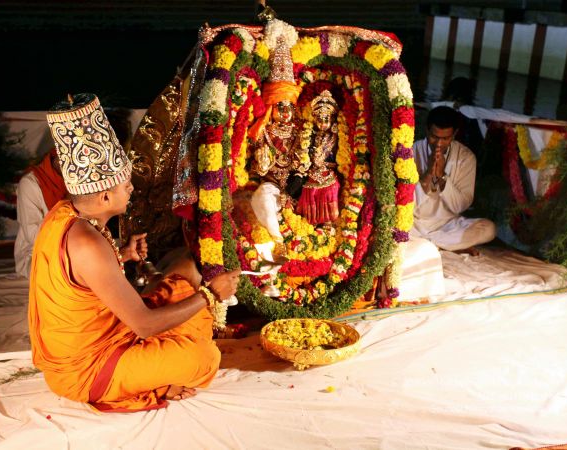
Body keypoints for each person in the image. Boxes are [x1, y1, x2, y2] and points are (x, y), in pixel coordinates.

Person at [28, 93, 240, 412]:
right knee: (204, 358)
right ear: (104, 197)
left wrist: (123, 255)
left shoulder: (66, 213)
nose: (131, 189)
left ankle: (154, 368)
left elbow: (85, 276)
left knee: (184, 274)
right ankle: (153, 379)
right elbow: (144, 325)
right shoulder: (88, 243)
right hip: (90, 367)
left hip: (113, 332)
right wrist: (212, 294)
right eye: (125, 185)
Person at [14, 107, 134, 279]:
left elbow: (95, 223)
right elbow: (36, 237)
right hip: (39, 255)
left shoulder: (90, 178)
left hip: (80, 245)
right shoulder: (32, 184)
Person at [248, 36, 307, 261]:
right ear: (271, 107)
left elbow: (307, 164)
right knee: (262, 195)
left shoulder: (302, 131)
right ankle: (278, 242)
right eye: (279, 106)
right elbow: (254, 171)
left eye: (289, 106)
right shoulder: (261, 132)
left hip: (297, 188)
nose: (285, 112)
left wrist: (299, 177)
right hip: (272, 187)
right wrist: (261, 164)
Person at [411, 106, 496, 254]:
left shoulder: (466, 157)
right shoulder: (411, 151)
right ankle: (447, 245)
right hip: (414, 223)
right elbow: (408, 204)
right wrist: (428, 174)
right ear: (427, 131)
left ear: (454, 134)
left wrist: (442, 176)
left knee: (489, 229)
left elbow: (460, 206)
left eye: (445, 138)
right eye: (434, 137)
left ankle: (428, 243)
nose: (438, 144)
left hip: (448, 225)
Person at [14, 147, 67, 278]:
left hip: (76, 245)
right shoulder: (30, 183)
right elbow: (32, 235)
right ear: (57, 159)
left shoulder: (81, 178)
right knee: (59, 272)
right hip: (36, 252)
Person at [296, 89, 340, 225]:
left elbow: (338, 160)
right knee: (308, 188)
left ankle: (328, 222)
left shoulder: (336, 137)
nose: (322, 123)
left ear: (332, 119)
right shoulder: (310, 135)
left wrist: (322, 162)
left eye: (326, 119)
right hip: (312, 171)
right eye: (319, 119)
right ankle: (312, 221)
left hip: (329, 172)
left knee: (330, 188)